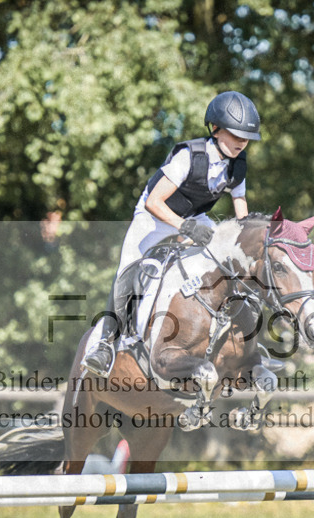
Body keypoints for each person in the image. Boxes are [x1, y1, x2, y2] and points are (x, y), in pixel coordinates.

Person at [80, 91, 262, 377]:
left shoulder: (238, 166)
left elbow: (241, 214)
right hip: (155, 217)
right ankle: (104, 344)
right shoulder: (188, 157)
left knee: (228, 263)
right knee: (128, 272)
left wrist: (245, 246)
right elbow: (154, 202)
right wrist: (184, 227)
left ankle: (241, 343)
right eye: (236, 135)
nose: (242, 142)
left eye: (246, 137)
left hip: (195, 216)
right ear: (215, 129)